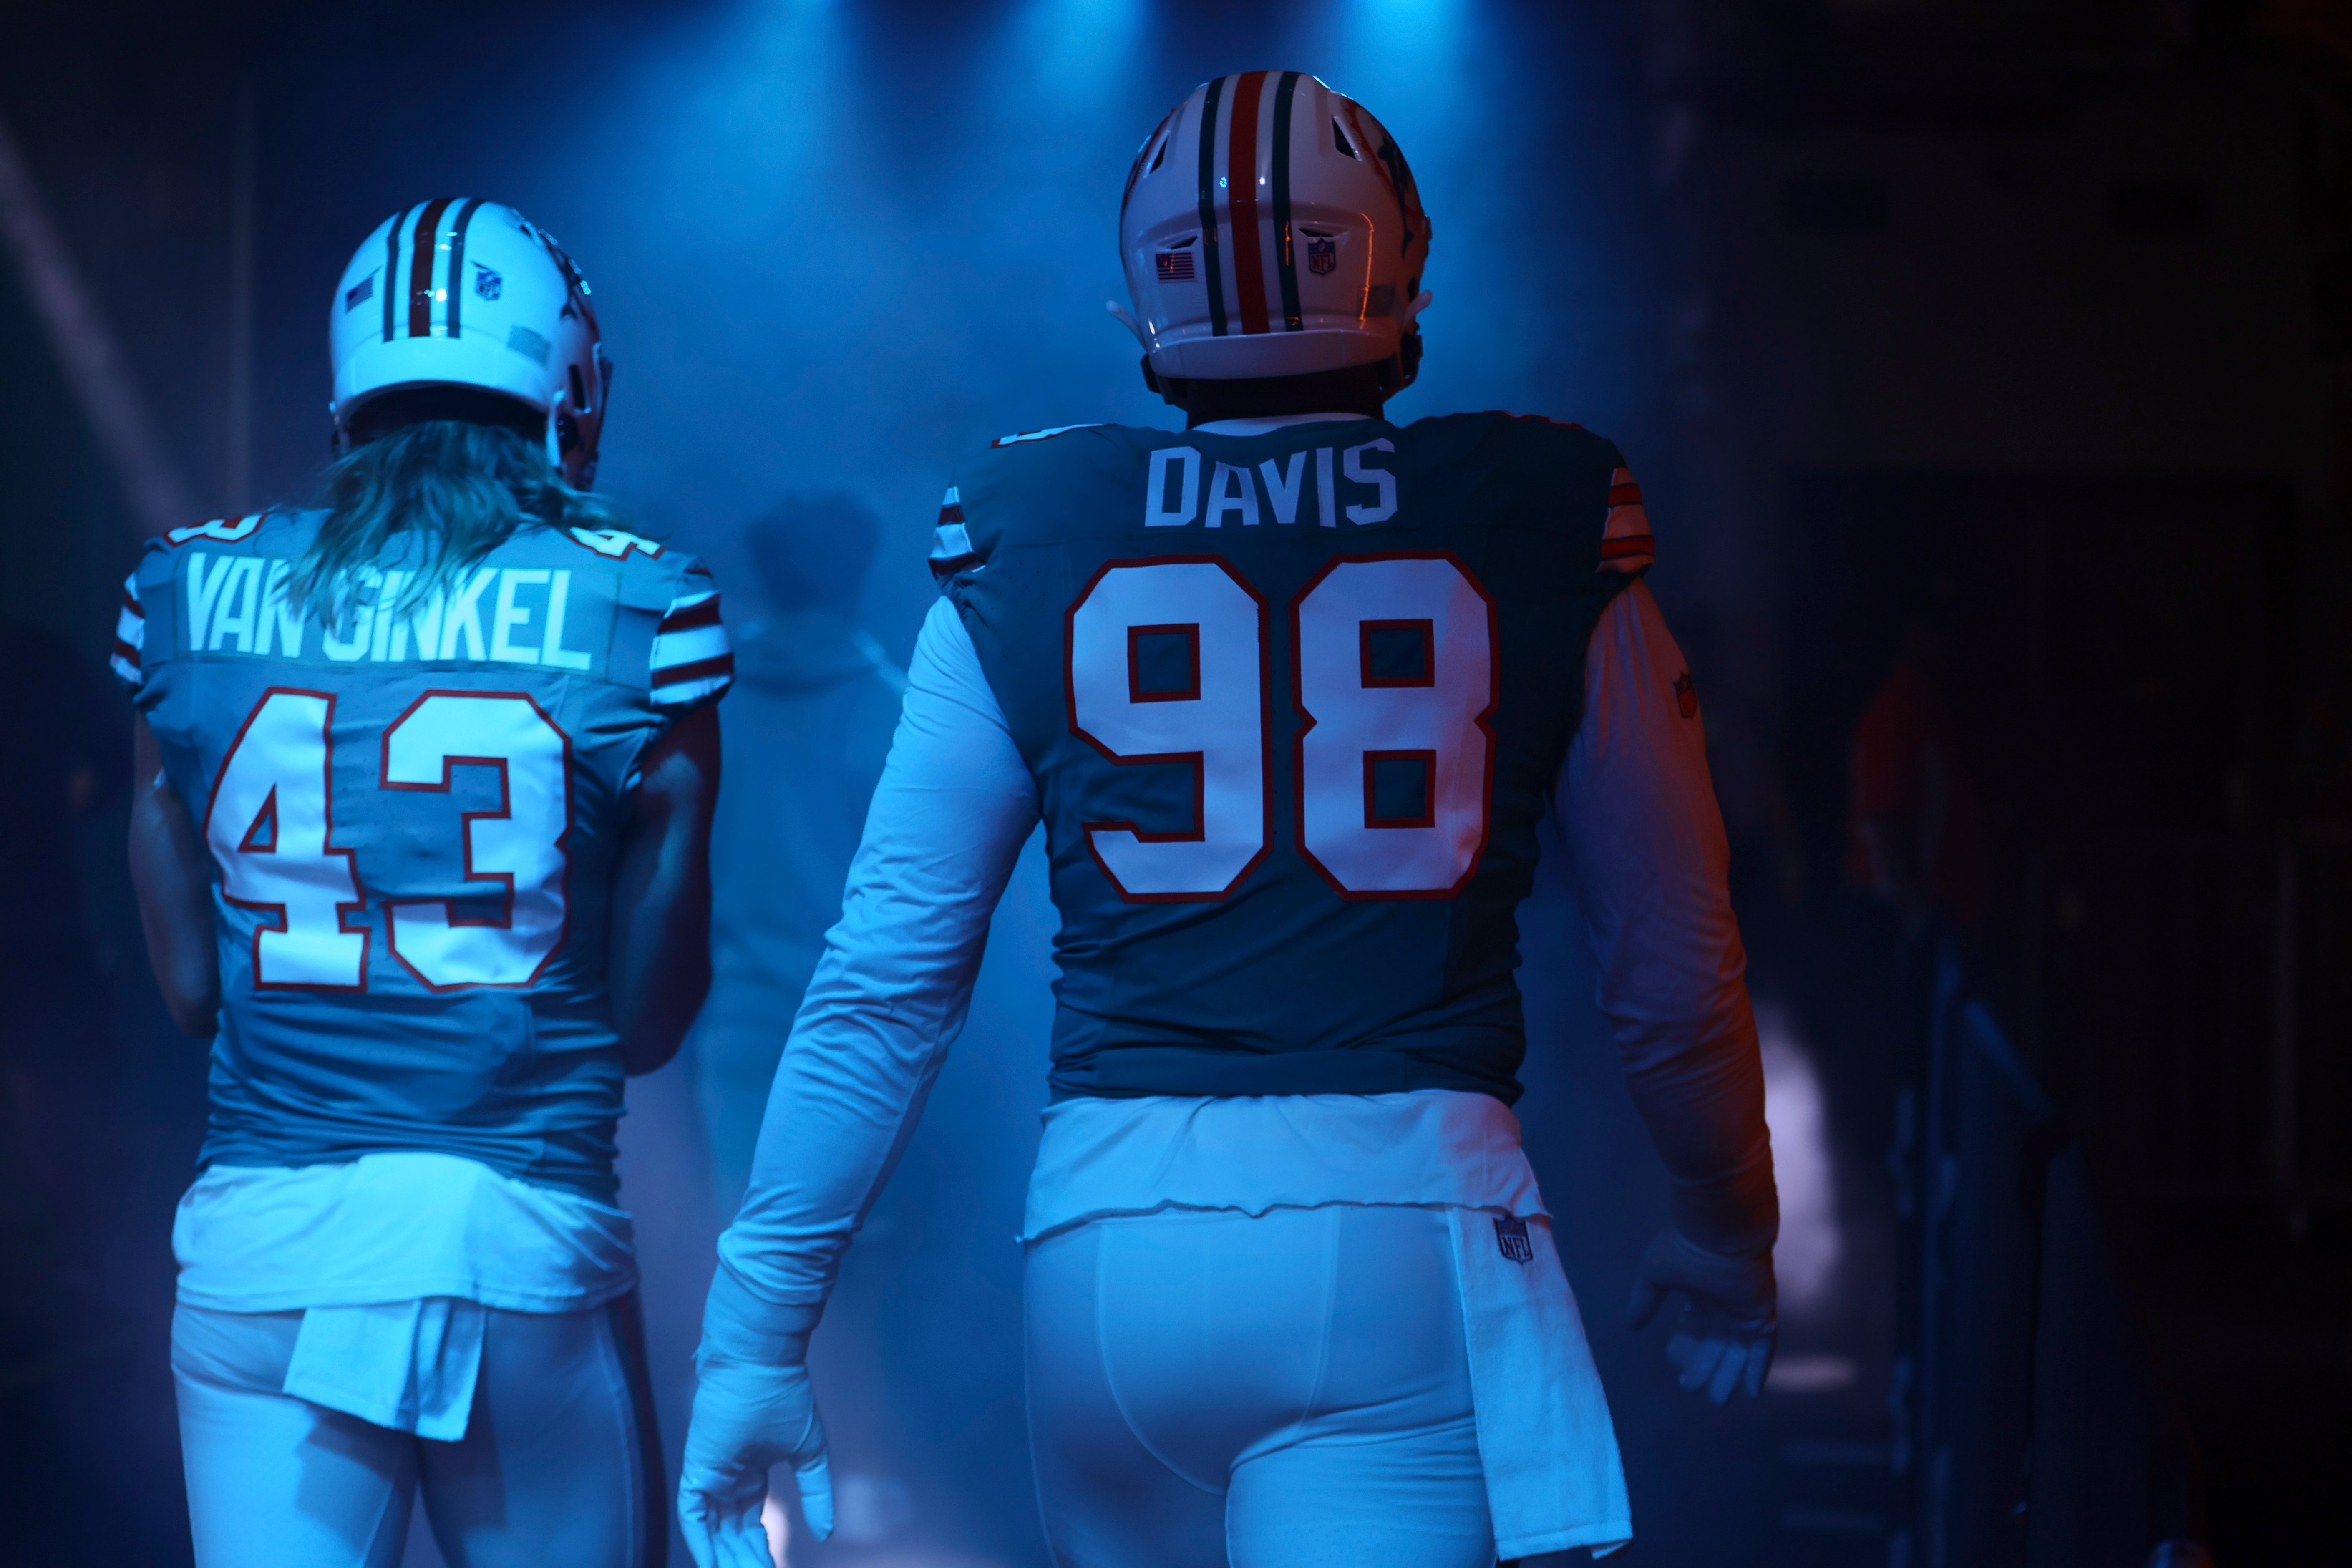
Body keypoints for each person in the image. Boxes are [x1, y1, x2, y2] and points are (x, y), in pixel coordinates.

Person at [680, 73, 1777, 1568]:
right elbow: (1667, 955)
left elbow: (884, 981)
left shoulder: (1031, 522)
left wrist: (753, 1335)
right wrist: (1722, 1223)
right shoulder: (1534, 505)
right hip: (1400, 1222)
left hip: (1104, 1245)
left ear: (1151, 291)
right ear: (1390, 268)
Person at [119, 200, 729, 1568]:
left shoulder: (183, 589)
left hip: (259, 1247)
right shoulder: (642, 604)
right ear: (561, 377)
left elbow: (185, 990)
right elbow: (648, 1016)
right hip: (509, 1240)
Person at [689, 493, 902, 1218]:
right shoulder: (895, 714)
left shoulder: (705, 703)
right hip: (856, 1031)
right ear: (858, 577)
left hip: (730, 1016)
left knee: (737, 1243)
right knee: (849, 1261)